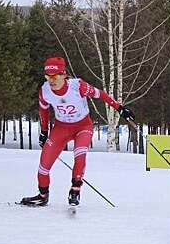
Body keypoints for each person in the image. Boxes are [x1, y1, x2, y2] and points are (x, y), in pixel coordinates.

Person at [20, 57, 135, 206]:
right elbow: (43, 110)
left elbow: (100, 94)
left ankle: (75, 190)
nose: (51, 81)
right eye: (48, 76)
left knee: (79, 154)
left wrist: (120, 108)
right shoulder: (45, 91)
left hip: (83, 126)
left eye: (54, 77)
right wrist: (43, 132)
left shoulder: (77, 86)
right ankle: (42, 196)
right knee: (43, 165)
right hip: (61, 128)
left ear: (64, 75)